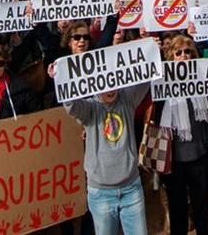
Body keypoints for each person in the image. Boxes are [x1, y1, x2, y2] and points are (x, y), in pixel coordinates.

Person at [64, 82, 150, 235]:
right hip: (101, 194)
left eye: (113, 83)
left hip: (131, 189)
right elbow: (71, 105)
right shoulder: (89, 108)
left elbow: (145, 77)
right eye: (105, 84)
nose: (111, 89)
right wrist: (61, 76)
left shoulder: (127, 99)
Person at [152, 34, 208, 235]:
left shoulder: (204, 79)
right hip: (173, 159)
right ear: (171, 56)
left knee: (201, 204)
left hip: (200, 155)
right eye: (178, 52)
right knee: (177, 206)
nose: (183, 56)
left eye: (188, 52)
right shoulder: (160, 82)